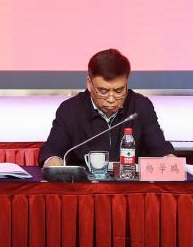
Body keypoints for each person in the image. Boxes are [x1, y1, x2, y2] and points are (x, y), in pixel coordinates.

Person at [40, 49, 174, 167]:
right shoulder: (70, 109)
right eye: (103, 91)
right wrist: (53, 161)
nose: (111, 99)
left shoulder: (140, 106)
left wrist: (168, 158)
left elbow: (159, 148)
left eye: (119, 91)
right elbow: (52, 151)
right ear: (89, 84)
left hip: (129, 184)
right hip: (85, 185)